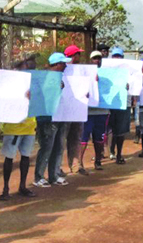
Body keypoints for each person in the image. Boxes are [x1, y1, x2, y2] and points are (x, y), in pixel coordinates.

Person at [0, 57, 38, 200]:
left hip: (29, 124)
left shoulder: (34, 84)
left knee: (26, 156)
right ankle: (5, 188)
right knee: (9, 157)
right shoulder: (9, 84)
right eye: (24, 67)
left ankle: (22, 186)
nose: (27, 70)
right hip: (14, 126)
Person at [34, 53, 72, 186]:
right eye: (63, 63)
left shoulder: (61, 78)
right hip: (47, 119)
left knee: (58, 147)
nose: (66, 66)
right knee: (46, 147)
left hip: (60, 116)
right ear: (57, 64)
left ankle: (53, 175)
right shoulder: (45, 77)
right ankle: (39, 177)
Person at [81, 51, 109, 170]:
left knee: (99, 138)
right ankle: (79, 163)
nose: (97, 61)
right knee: (83, 138)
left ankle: (98, 160)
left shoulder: (108, 74)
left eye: (99, 58)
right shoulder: (83, 73)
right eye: (94, 58)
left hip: (102, 111)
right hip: (87, 111)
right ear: (90, 60)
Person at [63, 45, 87, 175]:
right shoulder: (63, 69)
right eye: (78, 54)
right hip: (65, 110)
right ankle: (57, 167)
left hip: (78, 108)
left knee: (76, 137)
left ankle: (75, 165)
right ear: (73, 56)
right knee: (62, 139)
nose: (80, 56)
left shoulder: (82, 69)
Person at [107, 48, 131, 164]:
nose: (117, 59)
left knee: (121, 131)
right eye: (115, 56)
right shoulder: (106, 69)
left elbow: (135, 85)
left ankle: (119, 154)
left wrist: (129, 87)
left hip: (123, 103)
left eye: (119, 56)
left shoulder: (129, 70)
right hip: (110, 103)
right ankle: (110, 151)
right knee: (110, 129)